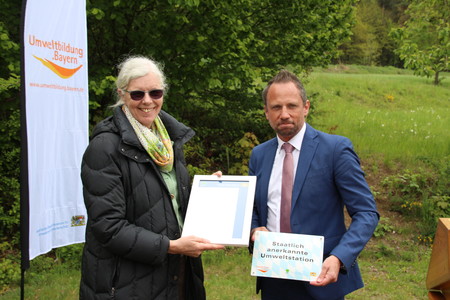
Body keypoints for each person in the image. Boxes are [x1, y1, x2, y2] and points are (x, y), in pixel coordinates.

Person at [79, 56, 224, 300]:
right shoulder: (104, 148)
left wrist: (204, 193)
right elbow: (108, 227)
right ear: (122, 94)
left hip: (176, 275)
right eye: (137, 94)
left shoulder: (167, 142)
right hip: (126, 284)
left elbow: (166, 204)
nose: (148, 101)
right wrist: (171, 246)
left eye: (155, 93)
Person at [249, 70, 379, 300]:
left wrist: (339, 257)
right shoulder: (259, 155)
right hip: (273, 277)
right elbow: (254, 209)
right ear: (266, 112)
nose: (285, 114)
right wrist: (253, 228)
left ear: (306, 107)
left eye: (292, 105)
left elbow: (366, 212)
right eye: (277, 107)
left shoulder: (335, 150)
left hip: (322, 277)